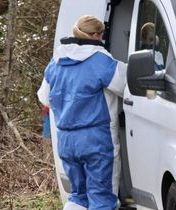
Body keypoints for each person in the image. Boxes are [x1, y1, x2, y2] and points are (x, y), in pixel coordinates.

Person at [37, 15, 127, 210]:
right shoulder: (100, 59)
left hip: (67, 142)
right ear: (96, 35)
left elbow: (44, 97)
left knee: (78, 196)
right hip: (97, 141)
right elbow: (125, 86)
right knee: (102, 198)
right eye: (102, 35)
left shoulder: (57, 61)